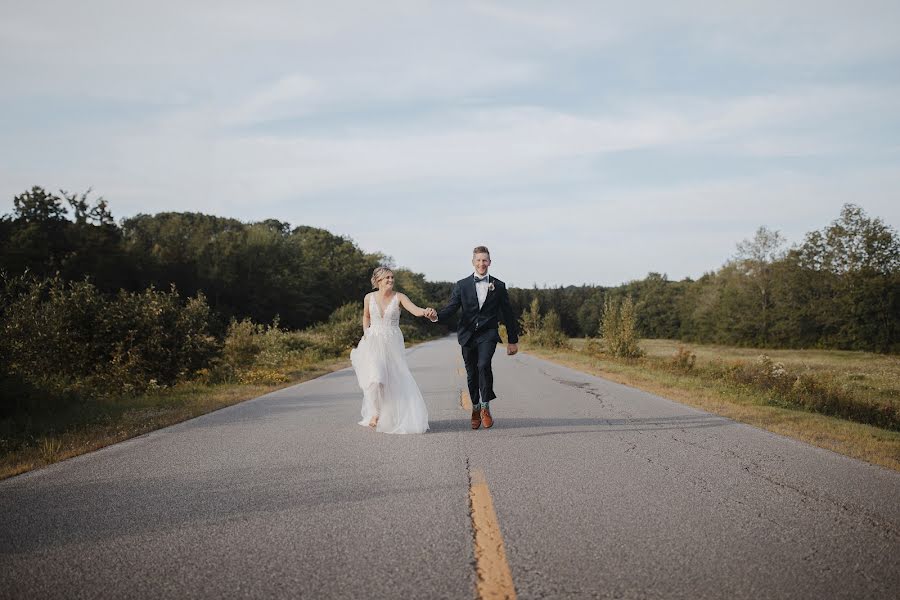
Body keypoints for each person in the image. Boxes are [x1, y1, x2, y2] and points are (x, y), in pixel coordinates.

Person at [425, 246, 519, 430]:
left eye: (485, 260)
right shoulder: (462, 285)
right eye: (478, 260)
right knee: (471, 372)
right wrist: (436, 316)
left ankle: (485, 408)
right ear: (473, 262)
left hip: (488, 334)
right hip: (467, 334)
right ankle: (475, 408)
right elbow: (451, 308)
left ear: (490, 262)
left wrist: (512, 340)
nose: (482, 264)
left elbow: (508, 314)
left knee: (483, 365)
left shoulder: (498, 286)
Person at [350, 266, 432, 434]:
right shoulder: (368, 297)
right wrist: (366, 334)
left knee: (393, 378)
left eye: (392, 277)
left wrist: (425, 312)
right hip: (372, 341)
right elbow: (366, 316)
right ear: (378, 280)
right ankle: (376, 413)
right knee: (376, 378)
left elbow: (415, 310)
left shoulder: (399, 297)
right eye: (387, 277)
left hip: (392, 342)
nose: (391, 280)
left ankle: (394, 415)